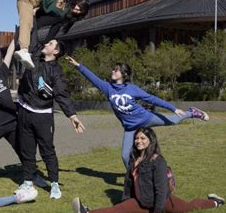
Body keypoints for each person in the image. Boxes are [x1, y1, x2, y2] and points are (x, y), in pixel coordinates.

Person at [66, 58, 210, 169]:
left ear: (124, 74)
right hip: (130, 128)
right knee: (124, 156)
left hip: (146, 118)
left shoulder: (132, 89)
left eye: (116, 70)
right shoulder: (108, 88)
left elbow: (152, 98)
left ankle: (192, 112)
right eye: (113, 70)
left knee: (174, 120)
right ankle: (135, 178)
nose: (112, 72)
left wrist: (173, 108)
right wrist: (78, 66)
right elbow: (93, 78)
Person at [72, 127, 225, 213]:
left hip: (163, 202)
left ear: (151, 141)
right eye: (137, 138)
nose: (139, 141)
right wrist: (126, 200)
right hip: (142, 201)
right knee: (118, 210)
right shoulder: (134, 160)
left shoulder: (157, 161)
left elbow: (162, 188)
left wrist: (158, 211)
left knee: (189, 207)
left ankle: (215, 202)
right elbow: (129, 184)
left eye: (143, 138)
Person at [15, 38, 85, 200]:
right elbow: (33, 38)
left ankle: (54, 183)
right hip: (25, 112)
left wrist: (72, 115)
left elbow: (61, 94)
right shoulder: (32, 59)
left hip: (43, 116)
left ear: (56, 52)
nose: (47, 44)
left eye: (51, 44)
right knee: (27, 150)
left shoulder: (56, 71)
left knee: (47, 151)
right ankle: (27, 181)